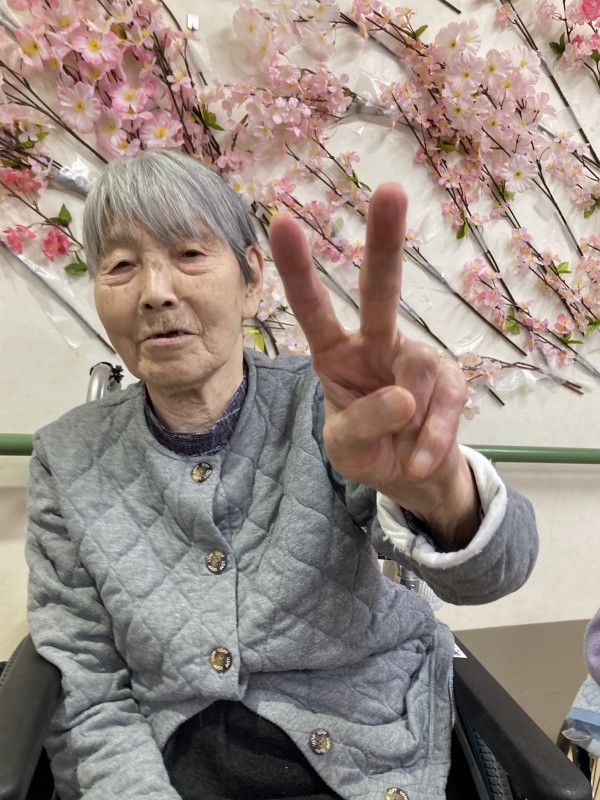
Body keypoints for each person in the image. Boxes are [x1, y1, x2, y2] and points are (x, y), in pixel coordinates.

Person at [25, 149, 538, 800]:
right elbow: (87, 686)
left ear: (251, 281)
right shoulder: (66, 456)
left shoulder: (329, 407)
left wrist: (442, 495)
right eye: (122, 265)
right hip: (171, 768)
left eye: (189, 254)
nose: (155, 291)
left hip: (366, 754)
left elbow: (497, 573)